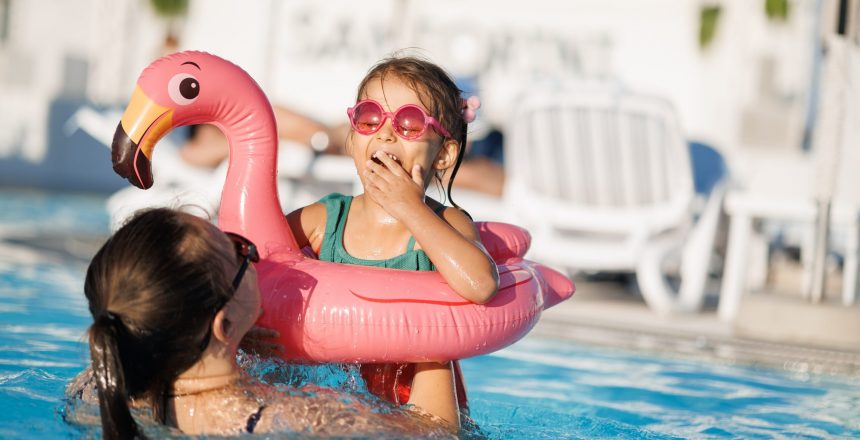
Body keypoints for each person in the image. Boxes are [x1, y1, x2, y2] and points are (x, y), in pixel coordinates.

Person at [67, 208, 458, 438]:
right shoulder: (293, 416)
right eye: (240, 250)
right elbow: (437, 434)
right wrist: (428, 329)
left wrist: (232, 340)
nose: (255, 255)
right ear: (221, 324)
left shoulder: (95, 387)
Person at [285, 55, 501, 422]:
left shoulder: (447, 223)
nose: (385, 133)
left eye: (410, 123)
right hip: (333, 401)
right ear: (353, 140)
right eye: (370, 118)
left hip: (417, 411)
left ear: (444, 154)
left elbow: (481, 285)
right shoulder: (326, 219)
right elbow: (258, 259)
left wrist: (411, 209)